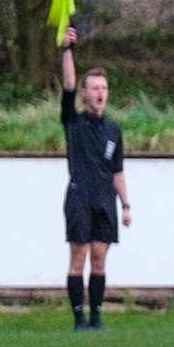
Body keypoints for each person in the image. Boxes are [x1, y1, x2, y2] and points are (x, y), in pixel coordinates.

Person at [59, 25, 129, 330]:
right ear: (86, 93)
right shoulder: (73, 121)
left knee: (100, 258)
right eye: (95, 88)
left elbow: (118, 170)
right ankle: (78, 319)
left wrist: (126, 205)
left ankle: (97, 318)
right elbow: (68, 84)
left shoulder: (114, 130)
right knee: (80, 257)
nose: (100, 93)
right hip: (79, 196)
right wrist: (67, 50)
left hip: (105, 198)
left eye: (104, 88)